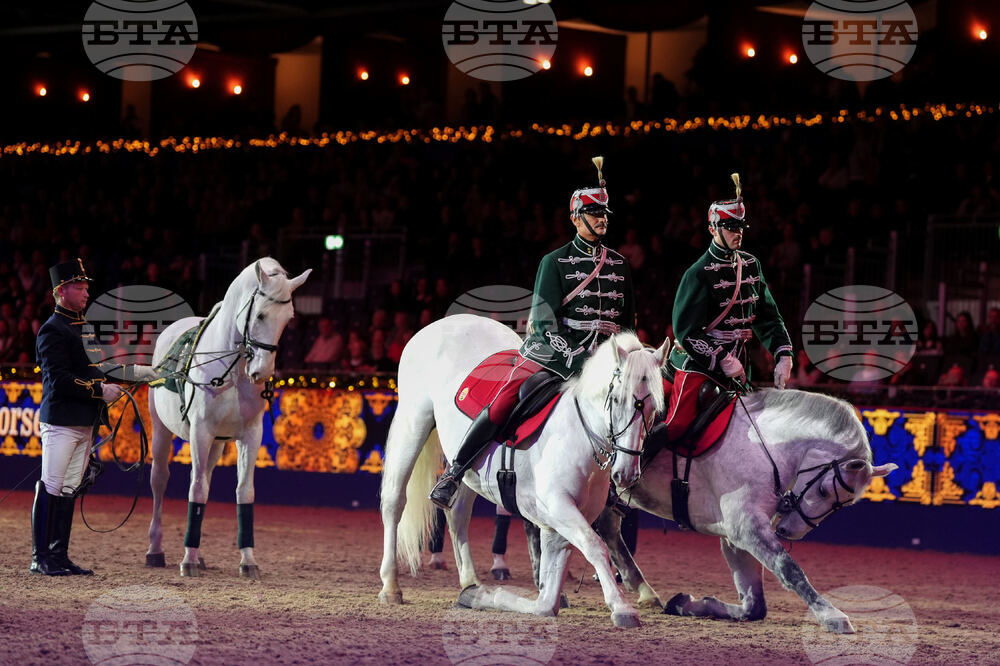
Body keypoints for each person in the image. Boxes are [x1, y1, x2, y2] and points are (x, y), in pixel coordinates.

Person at [429, 157, 636, 509]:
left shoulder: (619, 264)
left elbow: (628, 323)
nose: (602, 220)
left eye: (604, 214)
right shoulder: (554, 262)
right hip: (558, 358)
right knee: (512, 393)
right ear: (575, 217)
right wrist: (577, 360)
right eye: (593, 213)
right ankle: (455, 469)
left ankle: (628, 485)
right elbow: (542, 325)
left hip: (607, 366)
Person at [31, 259, 156, 575]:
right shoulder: (52, 330)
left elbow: (102, 369)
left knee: (69, 488)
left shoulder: (82, 327)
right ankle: (40, 557)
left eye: (87, 286)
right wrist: (99, 391)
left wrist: (142, 372)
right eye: (79, 286)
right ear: (61, 292)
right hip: (61, 421)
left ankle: (58, 556)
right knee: (52, 485)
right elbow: (58, 379)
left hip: (83, 421)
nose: (87, 292)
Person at [650, 174, 793, 447]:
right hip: (701, 364)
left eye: (740, 226)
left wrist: (782, 353)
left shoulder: (751, 265)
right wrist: (723, 359)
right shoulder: (698, 273)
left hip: (741, 365)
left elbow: (768, 317)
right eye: (730, 227)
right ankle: (633, 478)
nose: (737, 232)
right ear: (713, 228)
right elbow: (686, 331)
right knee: (678, 425)